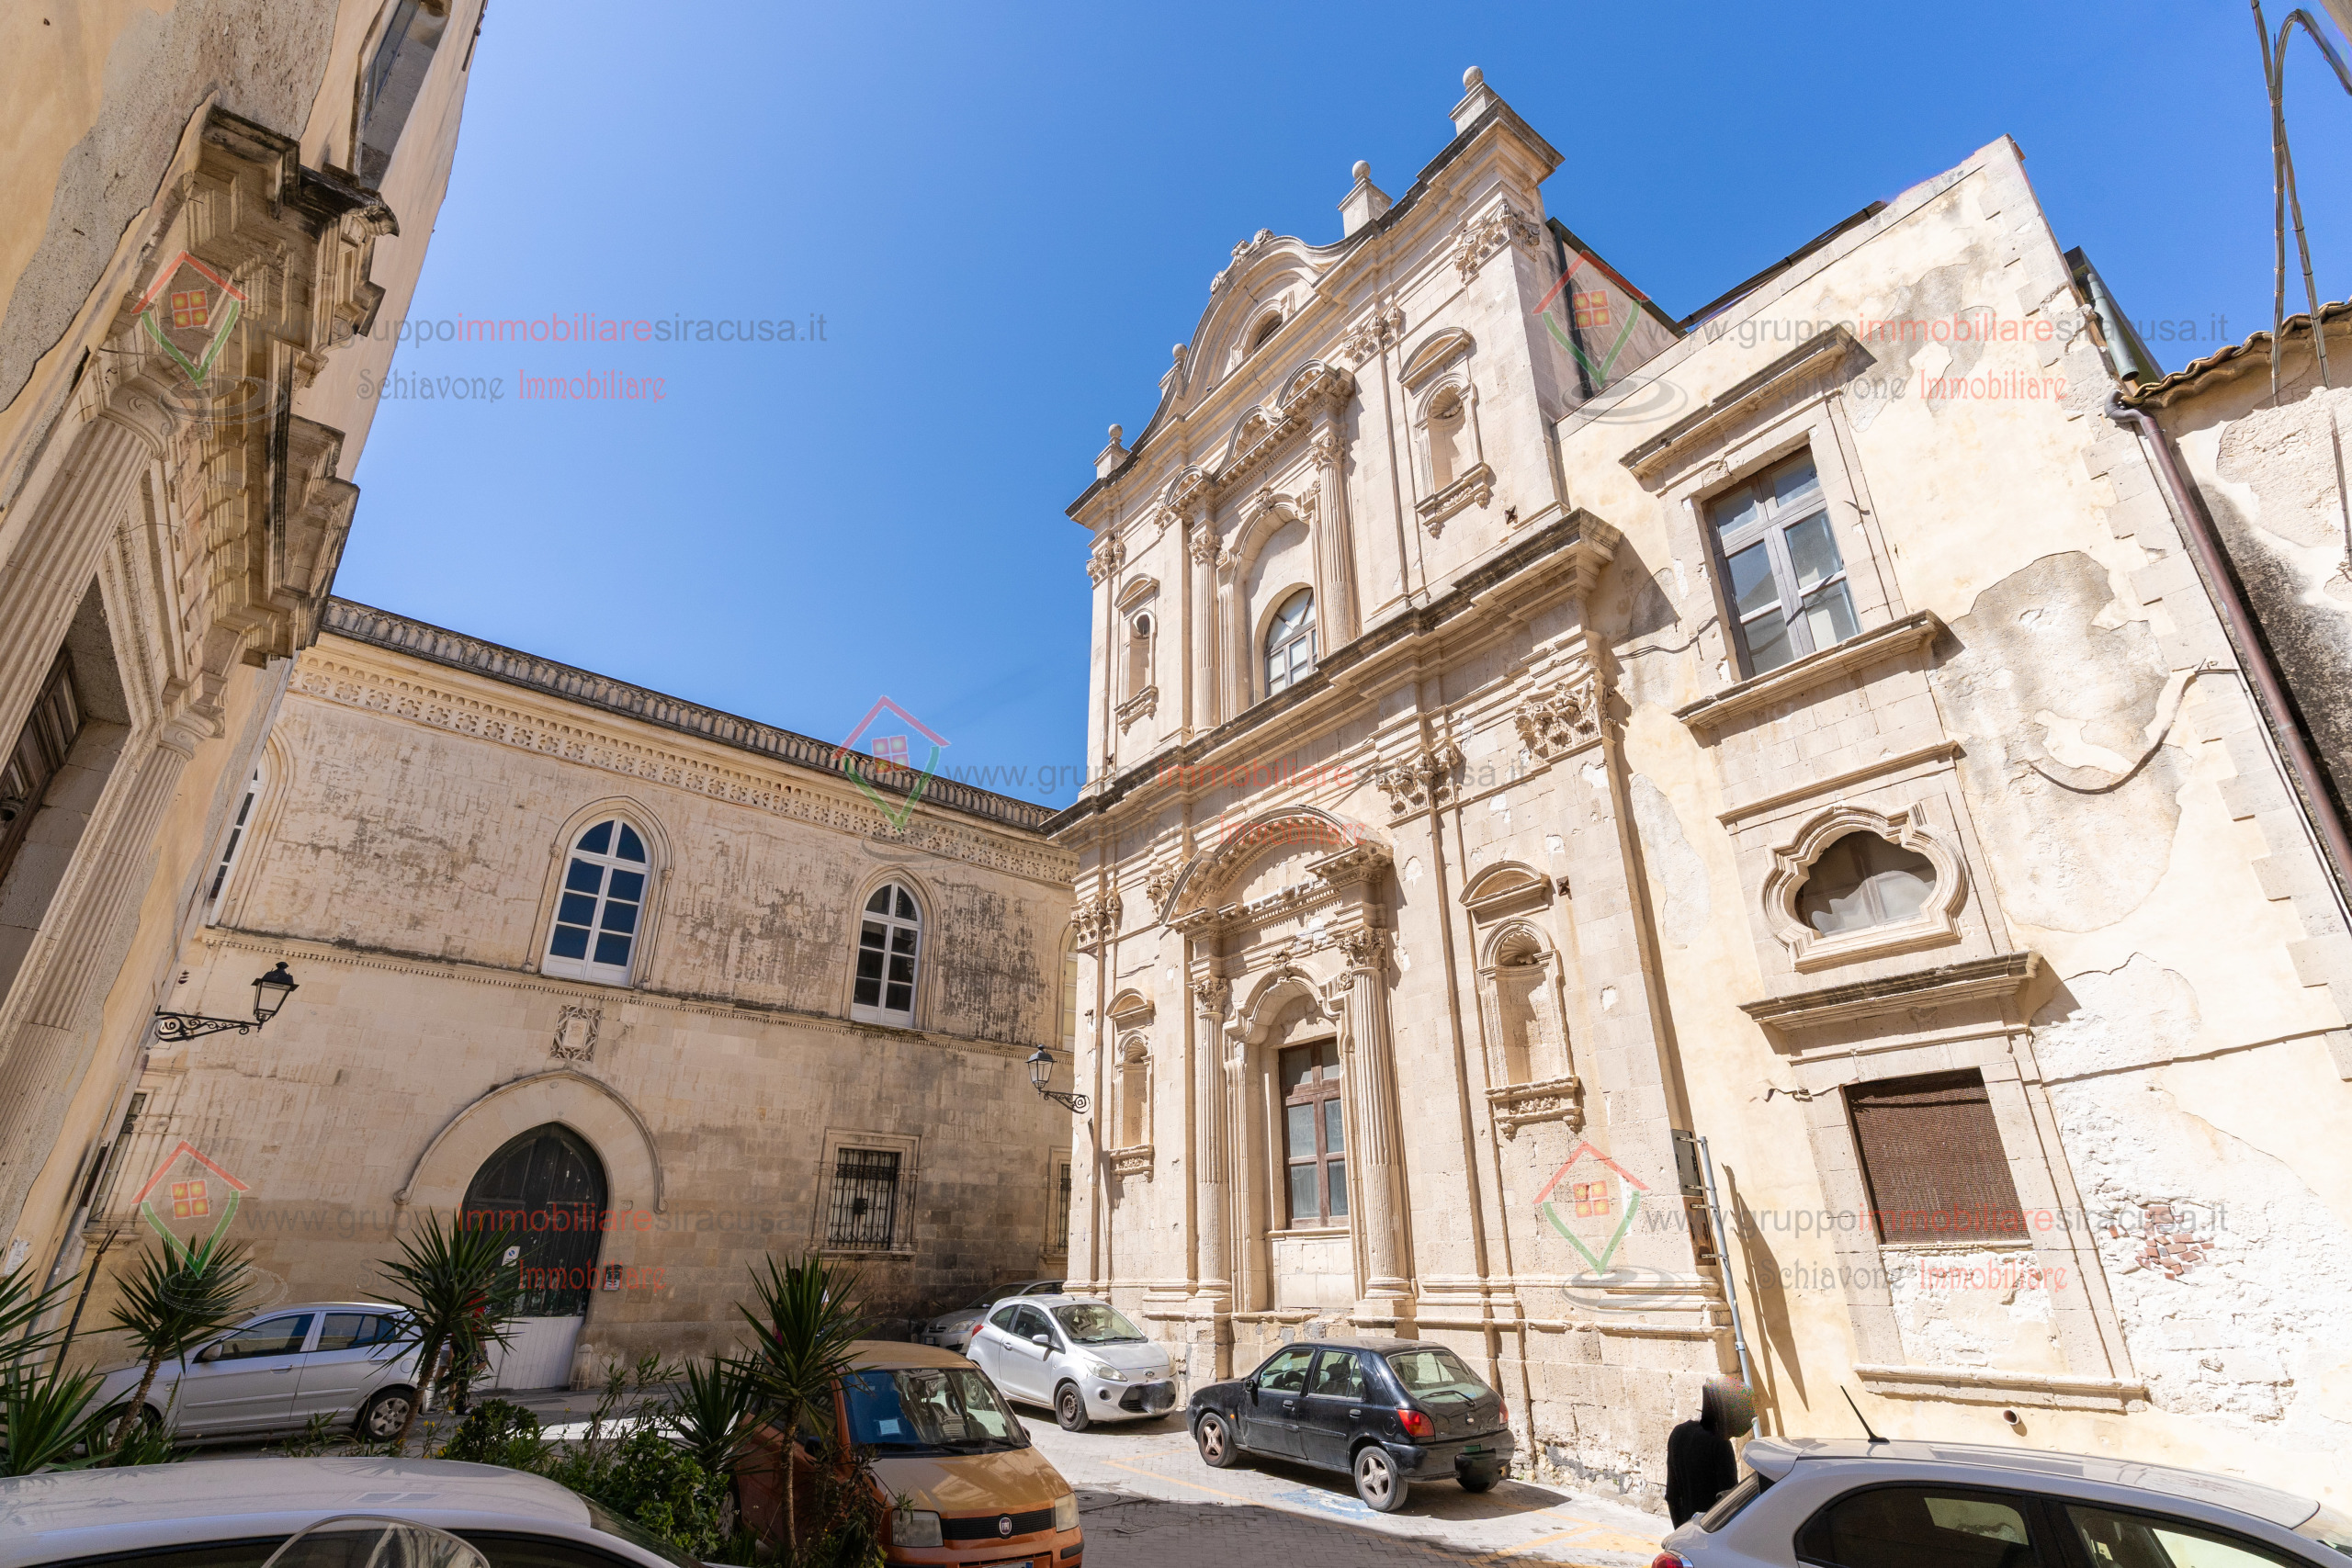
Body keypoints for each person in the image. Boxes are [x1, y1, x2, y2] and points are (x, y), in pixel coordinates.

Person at [1664, 1379, 1745, 1526]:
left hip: (1687, 1527)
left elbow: (1672, 1494)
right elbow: (1728, 1497)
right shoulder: (1719, 1441)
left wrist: (1679, 1530)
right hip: (1711, 1529)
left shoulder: (1677, 1433)